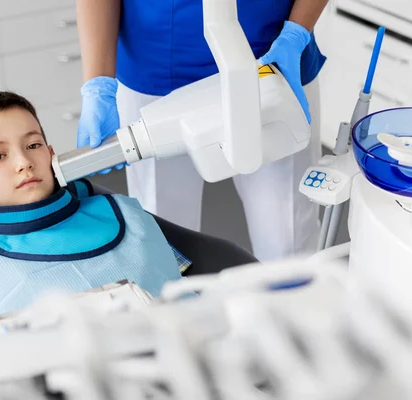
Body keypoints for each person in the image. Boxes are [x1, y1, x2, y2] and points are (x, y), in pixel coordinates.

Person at [75, 0, 328, 261]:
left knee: (289, 242)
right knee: (167, 245)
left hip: (275, 59)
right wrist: (98, 84)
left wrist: (295, 35)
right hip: (157, 65)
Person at [0, 91, 184, 325]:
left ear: (51, 154)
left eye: (33, 145)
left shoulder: (125, 214)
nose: (24, 163)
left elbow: (183, 299)